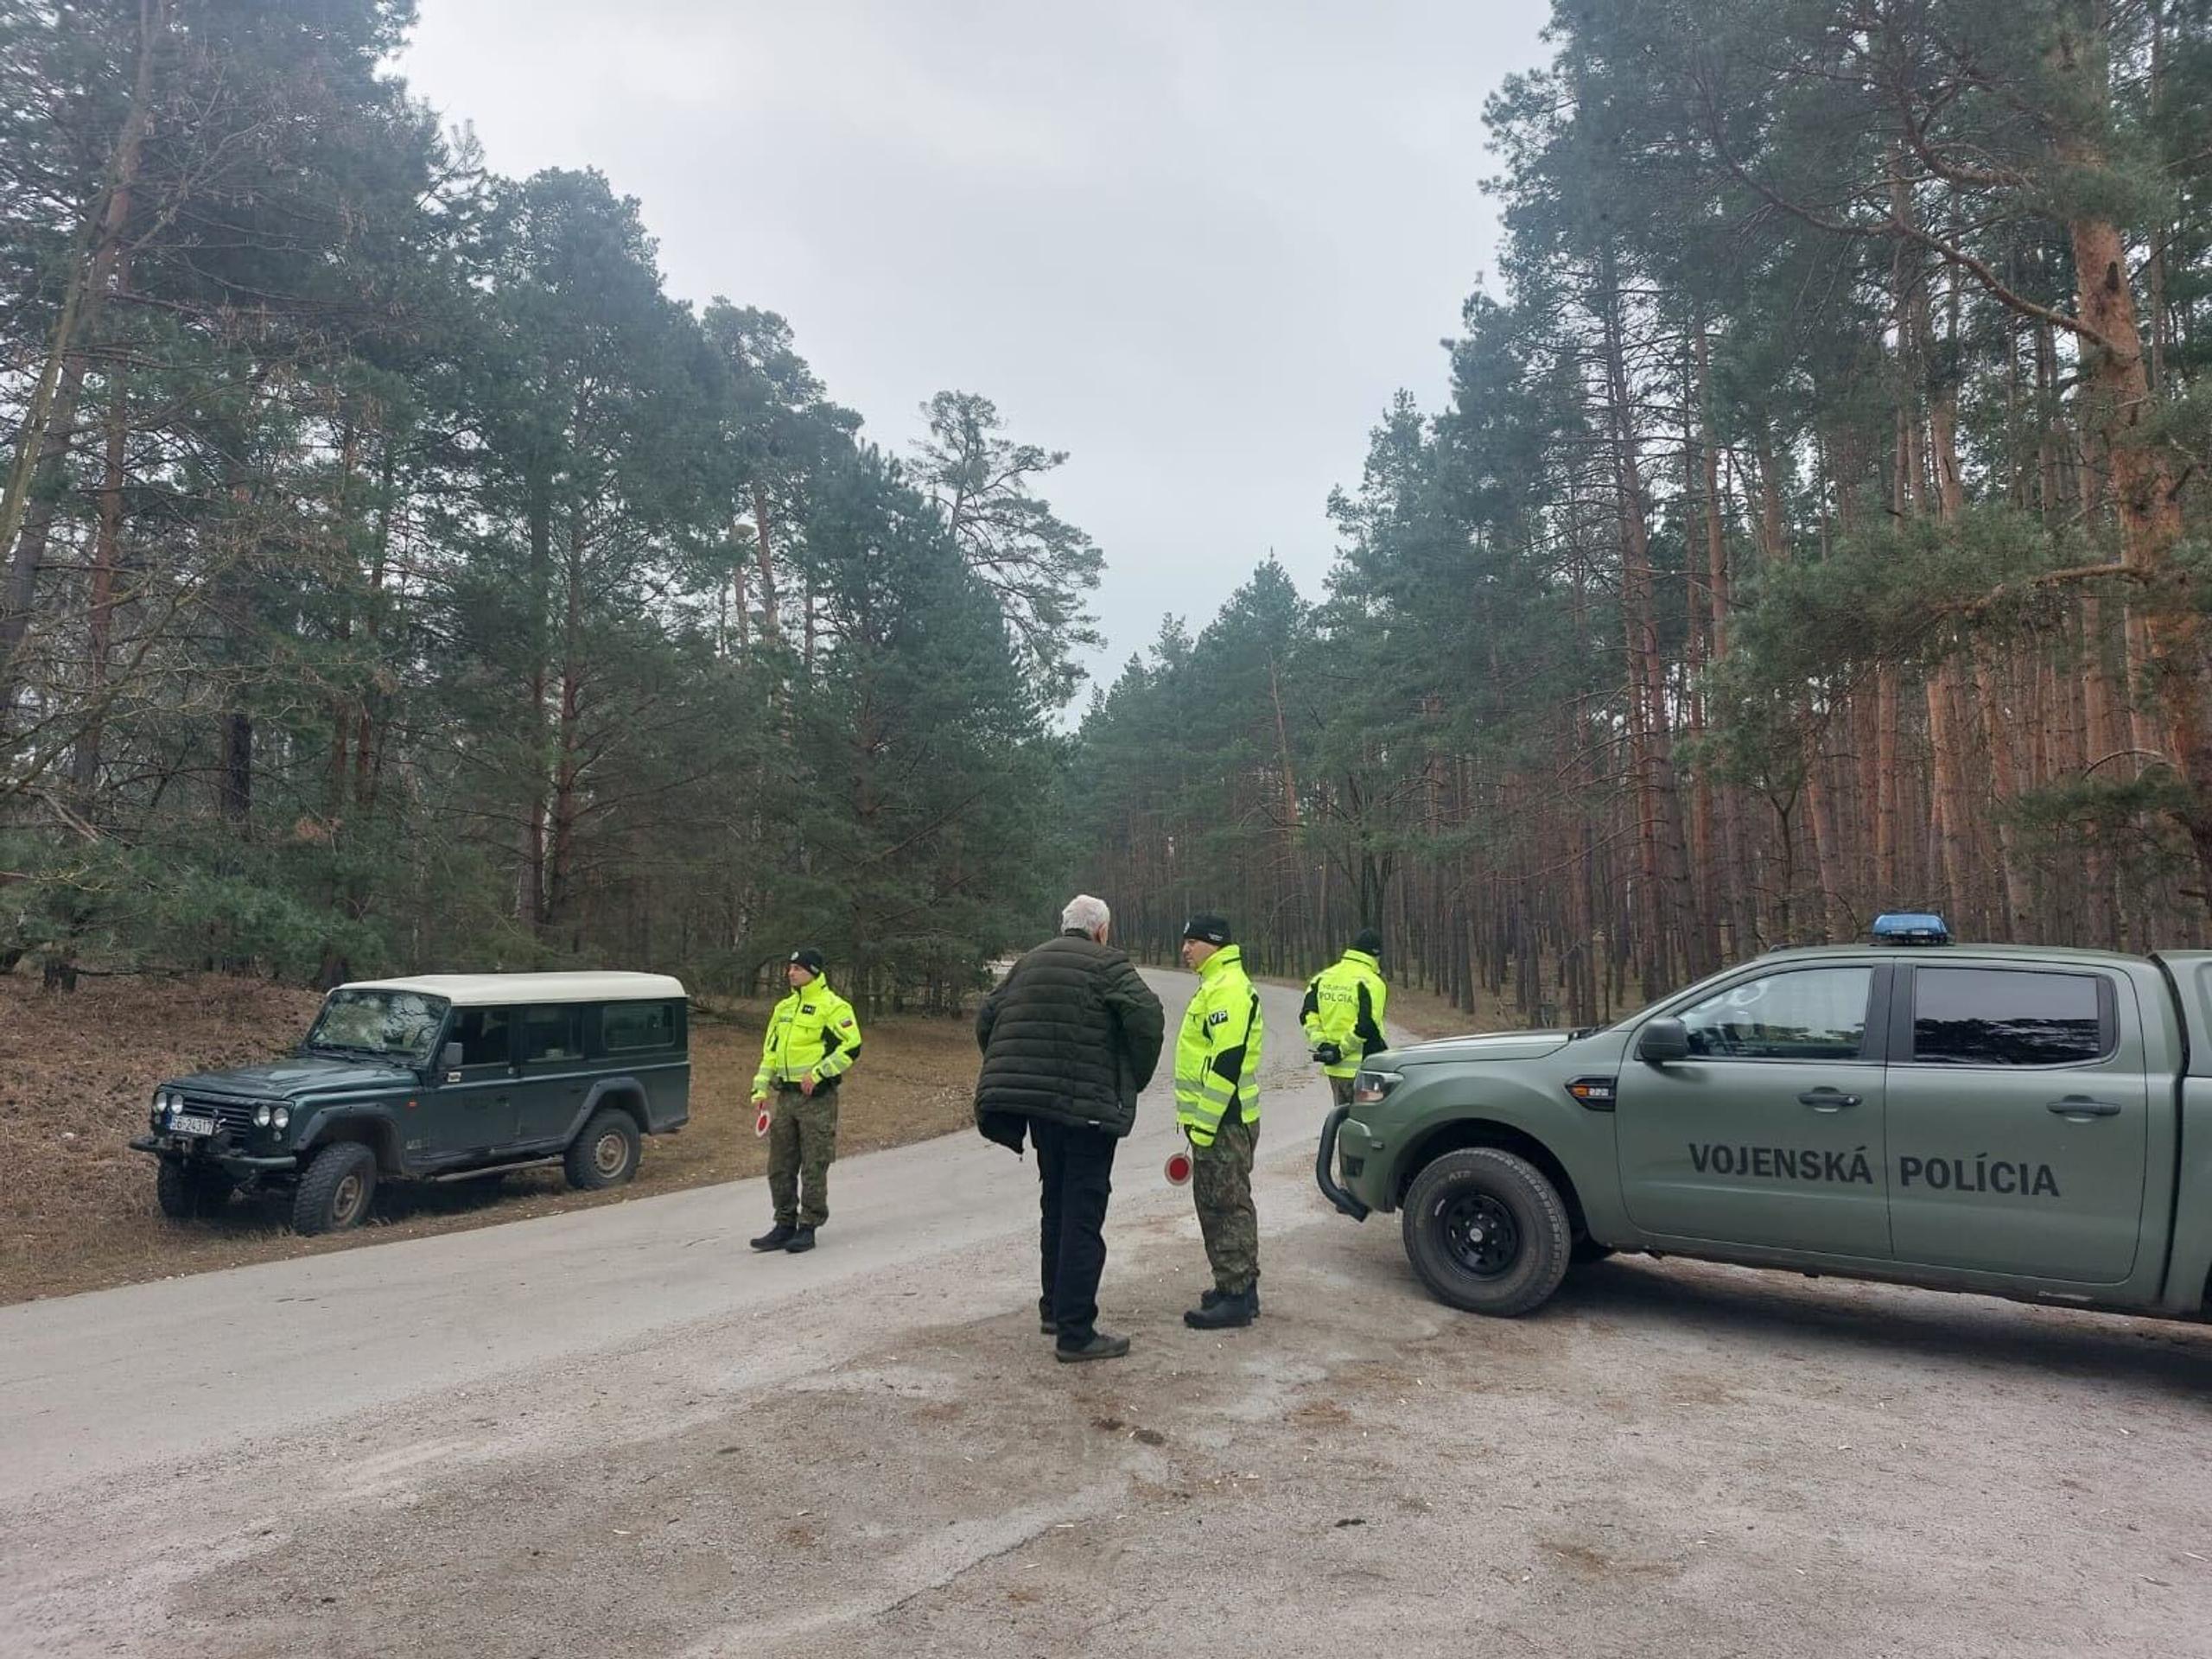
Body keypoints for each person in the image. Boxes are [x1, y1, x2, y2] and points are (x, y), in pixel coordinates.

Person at [975, 895, 1165, 1363]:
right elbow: (1148, 1019)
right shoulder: (1108, 964)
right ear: (1101, 930)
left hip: (1041, 1112)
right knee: (1083, 1213)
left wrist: (1017, 1071)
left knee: (1055, 1204)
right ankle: (1076, 1333)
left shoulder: (1027, 963)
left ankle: (1054, 1310)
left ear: (1065, 927)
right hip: (1089, 1114)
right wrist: (1129, 1076)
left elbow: (987, 1018)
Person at [1173, 912, 1264, 1329]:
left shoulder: (1228, 988)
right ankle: (1233, 1285)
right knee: (1215, 1204)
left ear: (1215, 944)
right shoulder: (1214, 985)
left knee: (1226, 1207)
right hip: (1215, 1121)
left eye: (1193, 942)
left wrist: (1205, 1125)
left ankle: (1238, 1296)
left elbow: (1227, 1062)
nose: (1186, 950)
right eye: (1185, 942)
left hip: (1224, 1121)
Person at [748, 947, 862, 1255]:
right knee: (780, 1165)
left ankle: (808, 1226)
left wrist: (820, 1073)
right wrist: (759, 1089)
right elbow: (770, 1052)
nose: (790, 973)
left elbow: (851, 1047)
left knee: (814, 1164)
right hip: (786, 1098)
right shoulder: (783, 1008)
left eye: (797, 969)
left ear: (812, 972)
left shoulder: (833, 1007)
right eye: (789, 968)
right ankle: (784, 1224)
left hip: (817, 1100)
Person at [1301, 927, 1389, 1105]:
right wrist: (1340, 1051)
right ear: (1376, 955)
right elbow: (1367, 1025)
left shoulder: (1322, 978)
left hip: (1334, 1070)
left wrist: (1324, 1046)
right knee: (1370, 1125)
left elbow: (1308, 1016)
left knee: (1341, 1120)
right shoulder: (1371, 982)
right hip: (1368, 1068)